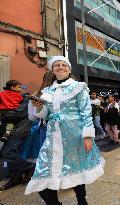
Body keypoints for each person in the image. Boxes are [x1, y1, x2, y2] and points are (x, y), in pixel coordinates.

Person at [25, 56, 104, 205]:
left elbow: (86, 112)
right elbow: (46, 114)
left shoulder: (79, 87)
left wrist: (87, 136)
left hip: (75, 134)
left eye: (64, 65)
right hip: (53, 135)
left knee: (76, 169)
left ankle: (82, 201)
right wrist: (39, 107)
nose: (60, 67)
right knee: (43, 171)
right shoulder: (48, 91)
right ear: (52, 70)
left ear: (69, 69)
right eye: (57, 65)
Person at [0, 93, 34, 190]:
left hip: (19, 129)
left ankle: (30, 167)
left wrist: (3, 115)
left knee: (8, 154)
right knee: (4, 155)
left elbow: (18, 113)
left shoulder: (27, 98)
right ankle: (16, 176)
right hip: (9, 128)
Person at [21, 71, 55, 161]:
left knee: (47, 158)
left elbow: (32, 117)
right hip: (65, 128)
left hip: (45, 128)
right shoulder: (66, 92)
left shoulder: (37, 94)